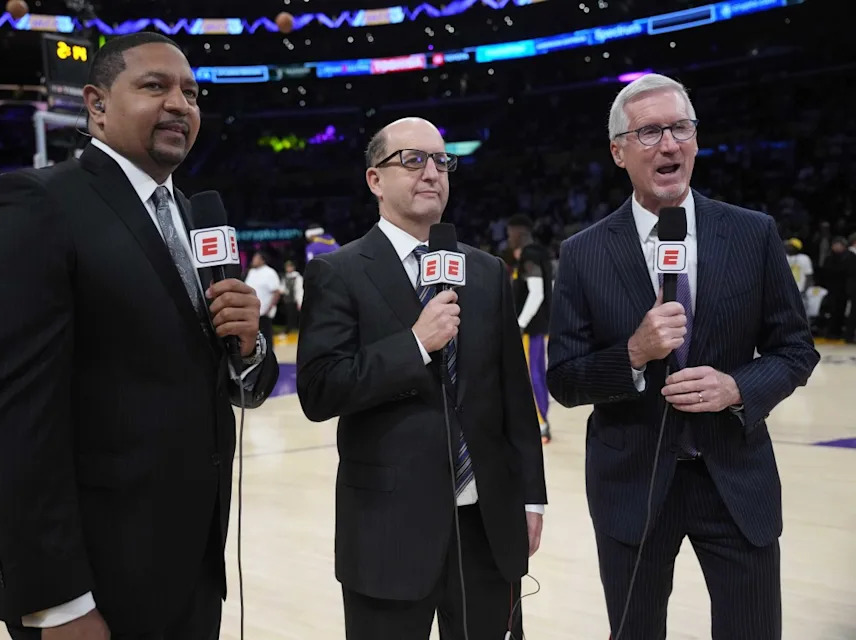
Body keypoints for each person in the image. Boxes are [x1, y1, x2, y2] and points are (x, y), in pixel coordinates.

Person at [0, 32, 279, 640]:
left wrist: (249, 344)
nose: (181, 104)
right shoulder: (38, 202)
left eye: (191, 92)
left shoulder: (190, 213)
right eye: (155, 86)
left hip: (191, 563)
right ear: (96, 104)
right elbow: (13, 418)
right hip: (96, 578)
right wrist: (57, 602)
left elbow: (235, 382)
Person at [546, 73, 819, 639]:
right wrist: (633, 354)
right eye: (649, 132)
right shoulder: (582, 254)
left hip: (735, 478)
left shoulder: (752, 233)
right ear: (618, 151)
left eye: (680, 128)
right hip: (632, 484)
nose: (669, 144)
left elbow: (795, 349)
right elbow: (565, 380)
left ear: (694, 141)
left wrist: (738, 388)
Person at [296, 117, 547, 640]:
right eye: (412, 160)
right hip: (387, 532)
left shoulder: (484, 271)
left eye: (441, 161)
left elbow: (514, 399)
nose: (431, 172)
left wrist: (530, 498)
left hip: (486, 528)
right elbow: (320, 390)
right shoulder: (338, 272)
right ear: (374, 180)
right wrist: (413, 344)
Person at [506, 214, 553, 444]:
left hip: (530, 328)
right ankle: (542, 420)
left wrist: (520, 324)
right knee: (537, 373)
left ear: (520, 232)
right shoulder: (540, 253)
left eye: (510, 233)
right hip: (539, 325)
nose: (508, 238)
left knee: (531, 376)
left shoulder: (529, 255)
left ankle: (541, 424)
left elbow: (537, 293)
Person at [244, 251, 281, 353]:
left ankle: (269, 359)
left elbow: (277, 292)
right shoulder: (251, 272)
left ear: (262, 260)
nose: (253, 260)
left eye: (256, 258)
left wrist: (269, 308)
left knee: (266, 338)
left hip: (264, 312)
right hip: (250, 312)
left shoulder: (270, 272)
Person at [279, 260, 304, 336]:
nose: (288, 268)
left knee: (295, 315)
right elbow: (282, 287)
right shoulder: (285, 277)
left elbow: (299, 289)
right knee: (289, 315)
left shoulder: (297, 277)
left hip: (295, 299)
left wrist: (299, 301)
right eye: (287, 267)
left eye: (290, 267)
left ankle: (296, 329)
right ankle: (289, 329)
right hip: (287, 299)